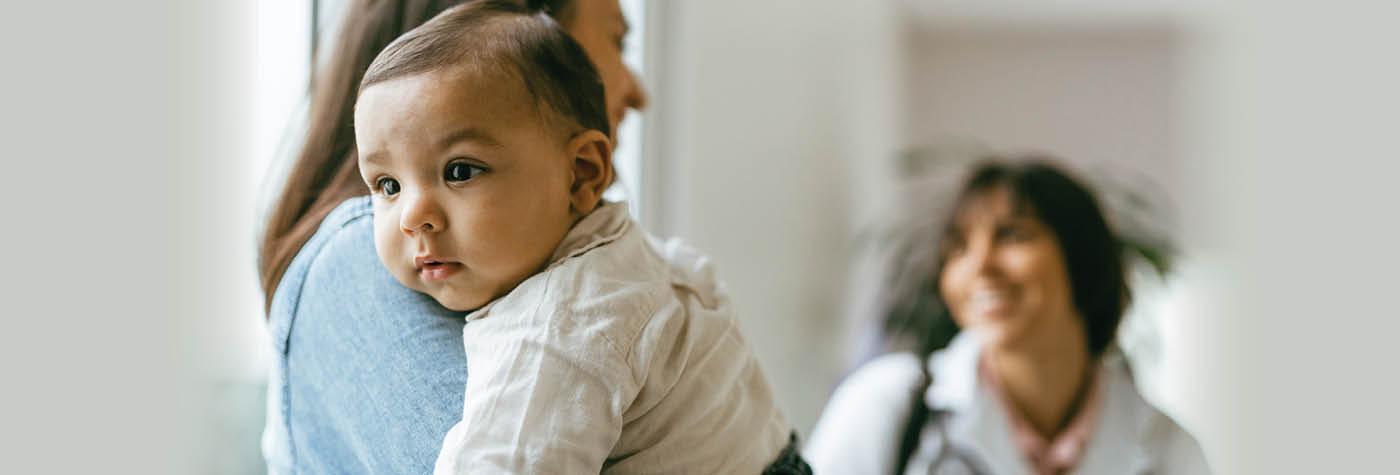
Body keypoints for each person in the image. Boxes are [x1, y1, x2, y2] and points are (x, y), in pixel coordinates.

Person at [351, 2, 802, 472]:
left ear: (581, 174)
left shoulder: (559, 329)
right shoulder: (623, 255)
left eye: (460, 171)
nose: (413, 216)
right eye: (388, 186)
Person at [257, 0, 647, 473]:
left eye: (459, 172)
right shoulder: (364, 265)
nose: (637, 91)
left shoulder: (602, 265)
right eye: (616, 41)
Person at [803, 159, 1210, 474]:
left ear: (1083, 258)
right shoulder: (889, 405)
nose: (979, 266)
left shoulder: (1167, 451)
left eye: (1013, 235)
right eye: (958, 247)